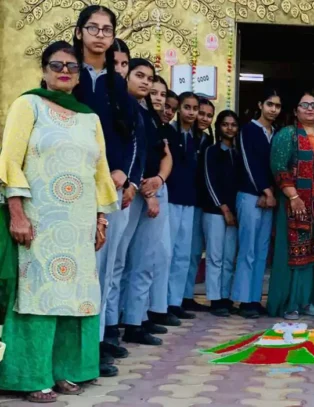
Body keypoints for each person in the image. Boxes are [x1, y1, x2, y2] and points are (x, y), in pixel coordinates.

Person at [0, 41, 118, 403]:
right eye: (56, 65)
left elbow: (99, 173)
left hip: (79, 224)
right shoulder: (27, 104)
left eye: (71, 66)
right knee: (37, 298)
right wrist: (16, 213)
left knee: (75, 297)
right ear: (44, 69)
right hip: (38, 223)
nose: (64, 71)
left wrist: (100, 220)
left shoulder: (89, 118)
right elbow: (9, 160)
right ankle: (31, 375)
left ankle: (66, 370)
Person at [71, 5, 140, 377]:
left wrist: (123, 176)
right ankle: (65, 346)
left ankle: (93, 347)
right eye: (92, 28)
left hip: (106, 193)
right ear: (80, 32)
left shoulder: (117, 86)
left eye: (107, 29)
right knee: (70, 268)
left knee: (102, 269)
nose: (100, 35)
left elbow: (130, 140)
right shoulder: (66, 76)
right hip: (65, 191)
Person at [267, 92, 314, 320]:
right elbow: (279, 167)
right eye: (304, 105)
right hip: (295, 204)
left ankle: (307, 301)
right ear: (296, 110)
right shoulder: (287, 135)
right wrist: (293, 196)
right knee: (294, 255)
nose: (310, 109)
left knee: (313, 256)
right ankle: (290, 304)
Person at [119, 59, 174, 346]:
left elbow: (164, 156)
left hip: (151, 189)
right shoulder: (126, 111)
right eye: (141, 78)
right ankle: (114, 325)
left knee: (145, 260)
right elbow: (135, 159)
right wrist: (150, 193)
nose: (154, 92)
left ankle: (135, 321)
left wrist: (160, 181)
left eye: (157, 88)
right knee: (122, 261)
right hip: (135, 193)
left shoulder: (153, 119)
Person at [233, 89, 281, 319]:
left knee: (262, 251)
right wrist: (264, 190)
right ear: (261, 104)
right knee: (248, 250)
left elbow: (278, 167)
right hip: (250, 196)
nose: (273, 109)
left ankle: (254, 299)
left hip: (269, 199)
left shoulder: (277, 133)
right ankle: (243, 300)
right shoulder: (248, 130)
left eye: (277, 106)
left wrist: (271, 194)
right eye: (270, 104)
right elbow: (249, 163)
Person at [200, 110, 240, 317]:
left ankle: (226, 297)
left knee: (229, 257)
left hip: (235, 213)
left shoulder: (238, 154)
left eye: (233, 125)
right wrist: (223, 208)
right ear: (219, 127)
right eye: (225, 124)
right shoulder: (211, 151)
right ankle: (215, 299)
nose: (230, 128)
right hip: (214, 212)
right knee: (215, 257)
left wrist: (234, 211)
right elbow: (209, 181)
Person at [166, 92, 200, 320]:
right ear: (179, 109)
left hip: (189, 201)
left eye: (194, 108)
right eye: (186, 107)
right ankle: (161, 304)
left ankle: (175, 302)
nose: (191, 112)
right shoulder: (168, 132)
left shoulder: (200, 137)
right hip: (169, 198)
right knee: (166, 253)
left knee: (183, 254)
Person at [182, 97, 217, 313]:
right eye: (199, 113)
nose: (203, 118)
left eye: (207, 115)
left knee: (194, 252)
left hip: (198, 203)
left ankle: (187, 295)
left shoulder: (206, 141)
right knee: (180, 252)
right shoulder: (183, 136)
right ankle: (174, 299)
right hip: (182, 201)